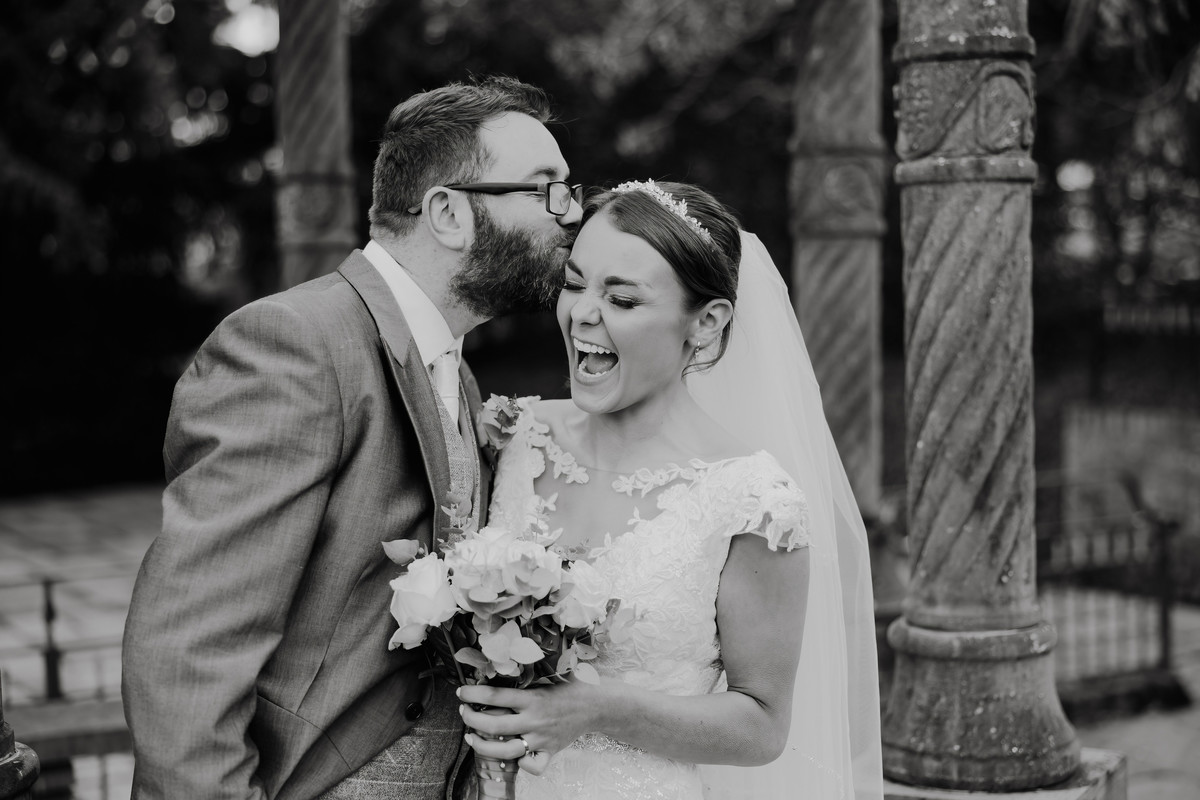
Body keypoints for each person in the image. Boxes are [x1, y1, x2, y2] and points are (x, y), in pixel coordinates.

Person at [121, 76, 582, 800]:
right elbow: (189, 649)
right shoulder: (294, 344)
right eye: (546, 189)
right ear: (448, 213)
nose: (570, 214)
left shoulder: (451, 368)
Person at [457, 181, 883, 799]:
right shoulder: (515, 435)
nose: (582, 314)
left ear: (706, 324)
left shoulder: (754, 499)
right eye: (575, 283)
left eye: (622, 299)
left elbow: (761, 725)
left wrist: (595, 709)